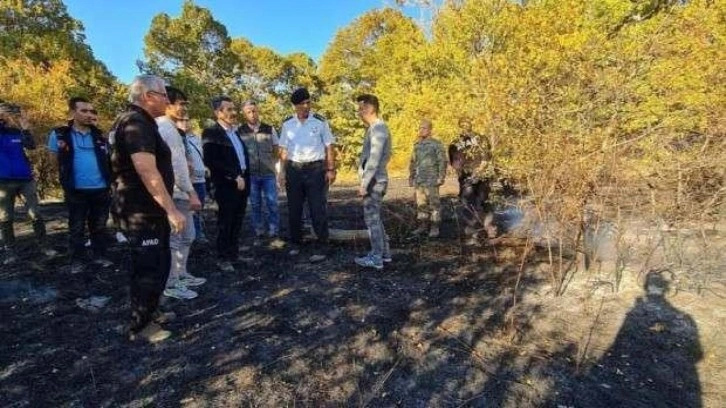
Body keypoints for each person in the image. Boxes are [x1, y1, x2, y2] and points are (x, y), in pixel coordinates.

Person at [109, 75, 185, 343]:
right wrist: (171, 209)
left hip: (148, 211)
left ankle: (152, 312)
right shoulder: (135, 123)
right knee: (148, 267)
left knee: (159, 262)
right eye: (163, 94)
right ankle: (140, 326)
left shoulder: (141, 122)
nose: (167, 99)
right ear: (148, 96)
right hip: (141, 212)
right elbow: (145, 169)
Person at [48, 97, 113, 274]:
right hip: (75, 189)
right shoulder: (60, 134)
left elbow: (109, 159)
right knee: (76, 226)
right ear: (72, 113)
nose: (89, 114)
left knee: (99, 226)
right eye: (84, 110)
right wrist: (66, 178)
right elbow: (54, 160)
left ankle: (100, 255)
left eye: (92, 111)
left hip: (101, 188)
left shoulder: (100, 135)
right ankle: (77, 260)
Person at [157, 86, 205, 300]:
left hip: (181, 192)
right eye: (181, 104)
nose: (185, 108)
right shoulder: (166, 129)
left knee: (188, 236)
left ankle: (182, 274)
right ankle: (171, 282)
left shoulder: (173, 129)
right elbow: (176, 166)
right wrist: (190, 191)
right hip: (176, 193)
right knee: (175, 239)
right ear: (167, 104)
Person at [278, 87, 336, 261]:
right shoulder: (287, 124)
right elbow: (283, 149)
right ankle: (296, 242)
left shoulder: (319, 121)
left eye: (308, 102)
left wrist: (331, 169)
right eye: (302, 104)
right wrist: (281, 172)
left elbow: (329, 146)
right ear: (294, 106)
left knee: (317, 208)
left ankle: (322, 245)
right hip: (294, 169)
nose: (306, 106)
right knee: (294, 208)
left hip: (315, 169)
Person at [0, 102, 53, 265]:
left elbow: (31, 145)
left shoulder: (15, 131)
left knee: (35, 213)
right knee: (5, 217)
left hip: (25, 178)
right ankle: (10, 251)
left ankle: (44, 246)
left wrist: (24, 127)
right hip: (2, 181)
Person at [202, 96, 249, 273]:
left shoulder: (234, 132)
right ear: (218, 113)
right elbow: (211, 160)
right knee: (225, 222)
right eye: (228, 109)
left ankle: (233, 254)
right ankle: (223, 258)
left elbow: (241, 158)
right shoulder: (211, 133)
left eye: (233, 109)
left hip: (243, 182)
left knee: (238, 220)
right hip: (226, 185)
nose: (233, 112)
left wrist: (244, 177)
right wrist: (233, 176)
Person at [353, 94, 392, 270]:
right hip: (374, 180)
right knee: (375, 218)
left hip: (374, 182)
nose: (359, 112)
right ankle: (384, 254)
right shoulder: (374, 128)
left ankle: (376, 258)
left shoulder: (378, 129)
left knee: (372, 220)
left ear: (370, 109)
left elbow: (374, 159)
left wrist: (364, 183)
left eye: (361, 108)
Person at [448, 118, 495, 245]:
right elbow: (455, 164)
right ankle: (473, 233)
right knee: (468, 205)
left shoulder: (481, 139)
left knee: (482, 204)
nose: (464, 127)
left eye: (466, 124)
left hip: (481, 178)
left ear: (470, 125)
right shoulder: (455, 143)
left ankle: (489, 230)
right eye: (462, 125)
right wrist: (462, 174)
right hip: (466, 178)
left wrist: (476, 173)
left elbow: (485, 160)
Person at [408, 119, 447, 238]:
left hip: (432, 179)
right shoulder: (417, 145)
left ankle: (435, 227)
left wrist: (441, 176)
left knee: (434, 204)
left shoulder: (436, 144)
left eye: (424, 128)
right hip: (420, 180)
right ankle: (423, 226)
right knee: (421, 204)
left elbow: (442, 161)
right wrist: (411, 176)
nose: (421, 130)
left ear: (430, 130)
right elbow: (413, 162)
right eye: (420, 128)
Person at [176, 115, 208, 245]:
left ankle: (197, 232)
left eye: (186, 120)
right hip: (187, 181)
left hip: (201, 179)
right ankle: (193, 235)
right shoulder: (176, 138)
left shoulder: (196, 138)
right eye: (181, 120)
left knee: (199, 207)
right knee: (188, 209)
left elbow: (202, 155)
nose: (185, 122)